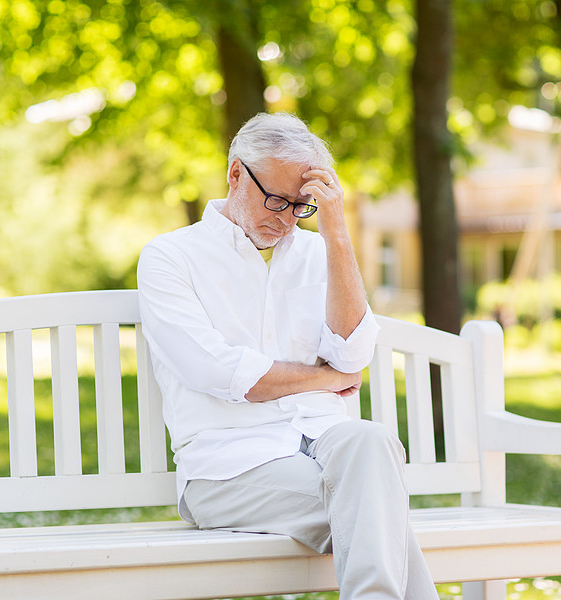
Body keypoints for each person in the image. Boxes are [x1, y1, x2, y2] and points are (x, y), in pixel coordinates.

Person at [137, 112, 439, 600]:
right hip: (227, 471)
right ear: (236, 174)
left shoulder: (319, 253)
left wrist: (337, 234)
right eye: (275, 199)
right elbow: (220, 372)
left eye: (301, 206)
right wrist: (323, 379)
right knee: (374, 511)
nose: (283, 218)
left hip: (327, 448)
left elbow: (355, 352)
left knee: (370, 441)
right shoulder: (171, 257)